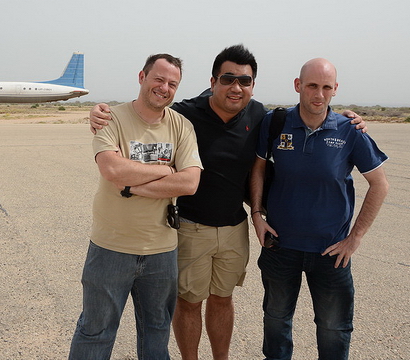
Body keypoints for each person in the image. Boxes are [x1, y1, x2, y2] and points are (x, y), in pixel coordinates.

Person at [89, 45, 366, 360]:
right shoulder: (185, 113)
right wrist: (99, 113)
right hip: (190, 226)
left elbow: (306, 112)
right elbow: (150, 106)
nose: (236, 87)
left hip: (235, 227)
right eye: (228, 79)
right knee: (189, 302)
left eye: (244, 81)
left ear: (252, 85)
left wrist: (346, 118)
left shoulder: (261, 116)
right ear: (213, 81)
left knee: (222, 299)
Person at [250, 58, 389, 360]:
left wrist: (355, 238)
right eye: (312, 85)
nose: (319, 94)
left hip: (331, 252)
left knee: (333, 328)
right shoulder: (276, 123)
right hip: (279, 247)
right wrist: (257, 214)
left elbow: (379, 184)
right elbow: (258, 169)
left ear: (335, 90)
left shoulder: (350, 130)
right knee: (275, 321)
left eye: (327, 87)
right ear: (298, 86)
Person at [69, 54, 203, 360]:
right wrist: (169, 171)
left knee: (157, 333)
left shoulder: (181, 126)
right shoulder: (110, 118)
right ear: (142, 77)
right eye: (158, 79)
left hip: (162, 252)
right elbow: (112, 170)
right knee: (95, 331)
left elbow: (190, 182)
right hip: (111, 248)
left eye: (172, 83)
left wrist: (133, 185)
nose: (164, 87)